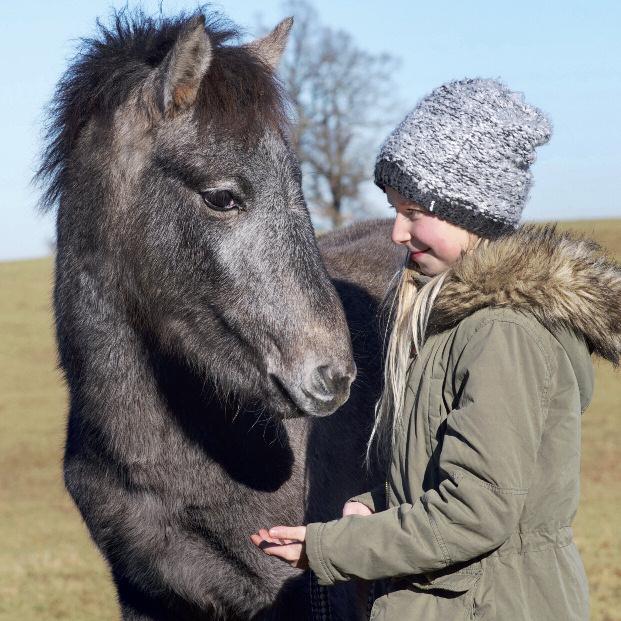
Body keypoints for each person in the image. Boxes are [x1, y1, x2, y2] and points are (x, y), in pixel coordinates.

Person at [250, 78, 621, 620]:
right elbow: (449, 479)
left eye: (415, 210)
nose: (397, 231)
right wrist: (372, 508)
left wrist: (329, 549)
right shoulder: (449, 325)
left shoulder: (503, 335)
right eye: (393, 208)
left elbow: (475, 511)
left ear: (472, 214)